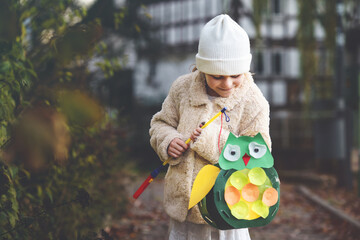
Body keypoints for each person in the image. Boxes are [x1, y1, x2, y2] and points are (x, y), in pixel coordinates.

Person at [149, 14, 271, 240]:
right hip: (185, 207)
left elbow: (258, 153)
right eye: (217, 76)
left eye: (235, 75)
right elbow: (161, 122)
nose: (227, 84)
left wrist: (210, 138)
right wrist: (168, 140)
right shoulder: (182, 89)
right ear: (202, 68)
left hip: (228, 206)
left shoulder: (254, 102)